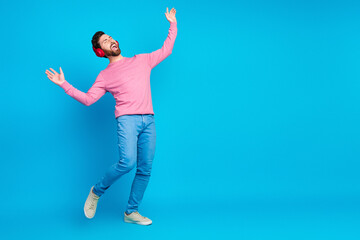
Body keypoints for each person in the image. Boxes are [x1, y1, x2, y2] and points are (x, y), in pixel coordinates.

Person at [45, 7, 177, 226]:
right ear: (100, 51)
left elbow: (167, 49)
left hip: (149, 120)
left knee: (145, 168)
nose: (111, 41)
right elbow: (88, 99)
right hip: (127, 120)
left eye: (111, 38)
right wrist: (64, 84)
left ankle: (131, 212)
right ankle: (96, 191)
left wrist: (172, 24)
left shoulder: (141, 60)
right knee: (127, 163)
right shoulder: (104, 76)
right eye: (105, 41)